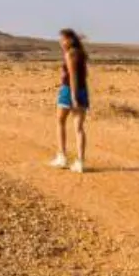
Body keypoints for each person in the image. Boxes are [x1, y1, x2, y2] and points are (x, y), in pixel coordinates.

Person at [50, 28, 90, 173]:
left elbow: (73, 76)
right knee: (79, 128)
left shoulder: (70, 53)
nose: (61, 42)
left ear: (69, 40)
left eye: (62, 39)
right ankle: (80, 161)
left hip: (69, 91)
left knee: (60, 121)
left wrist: (73, 95)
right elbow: (84, 74)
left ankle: (62, 156)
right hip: (83, 90)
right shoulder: (81, 53)